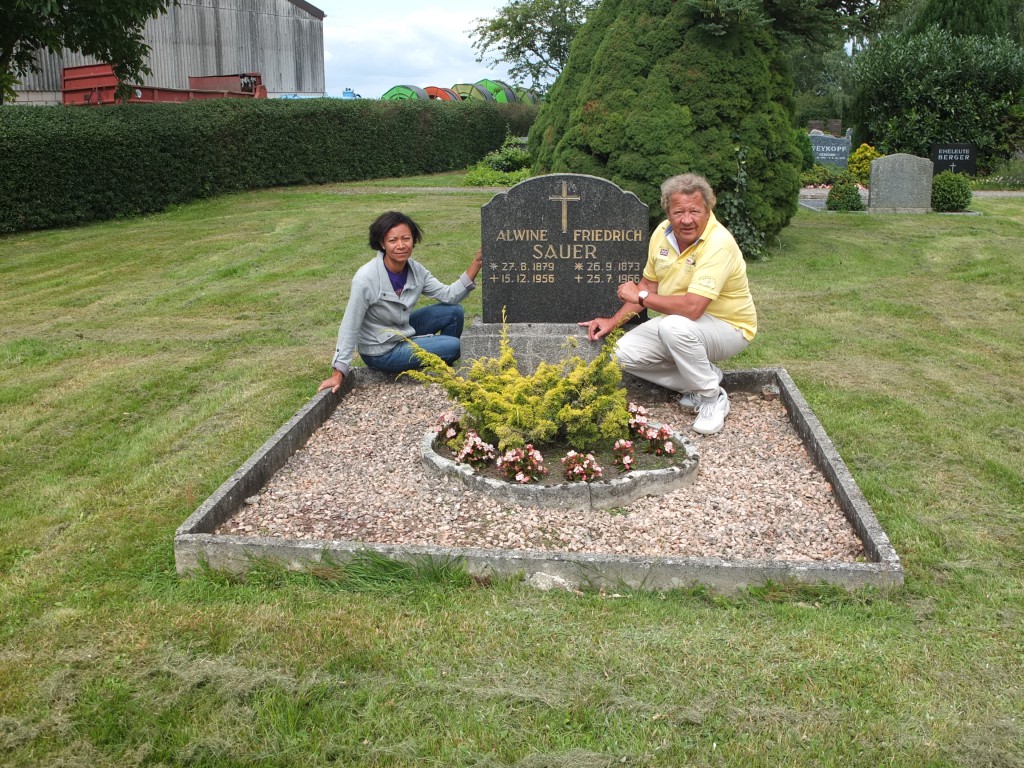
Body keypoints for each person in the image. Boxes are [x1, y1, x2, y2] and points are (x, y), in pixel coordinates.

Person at [579, 173, 757, 435]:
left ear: (708, 210)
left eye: (694, 211)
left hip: (729, 328)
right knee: (620, 354)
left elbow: (692, 308)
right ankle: (702, 380)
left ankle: (711, 397)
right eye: (678, 212)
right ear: (668, 212)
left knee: (674, 326)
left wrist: (640, 297)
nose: (686, 220)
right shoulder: (662, 233)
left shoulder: (719, 244)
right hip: (683, 324)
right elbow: (649, 286)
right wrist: (612, 321)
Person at [319, 211, 483, 394]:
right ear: (382, 243)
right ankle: (443, 356)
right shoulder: (365, 279)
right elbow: (350, 324)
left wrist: (477, 262)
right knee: (455, 345)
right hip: (381, 351)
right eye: (392, 240)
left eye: (406, 238)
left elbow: (449, 295)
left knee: (453, 312)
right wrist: (338, 370)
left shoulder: (415, 269)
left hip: (401, 330)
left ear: (413, 240)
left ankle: (441, 368)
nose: (401, 245)